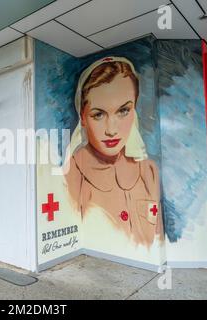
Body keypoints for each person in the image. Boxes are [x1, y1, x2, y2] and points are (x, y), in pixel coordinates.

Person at [64, 57, 163, 246]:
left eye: (123, 110)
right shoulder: (71, 175)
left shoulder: (148, 171)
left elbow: (157, 238)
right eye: (98, 114)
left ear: (134, 110)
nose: (111, 130)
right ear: (82, 117)